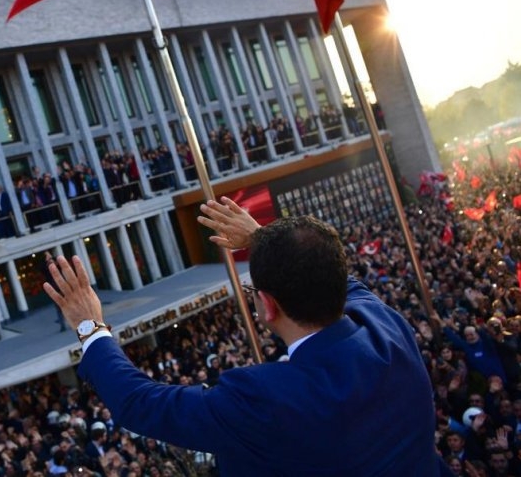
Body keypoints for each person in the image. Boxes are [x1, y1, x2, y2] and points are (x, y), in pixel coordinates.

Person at [43, 196, 452, 476]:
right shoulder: (389, 329)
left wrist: (90, 327)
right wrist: (262, 241)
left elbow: (140, 404)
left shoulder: (265, 398)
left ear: (266, 306)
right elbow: (335, 277)